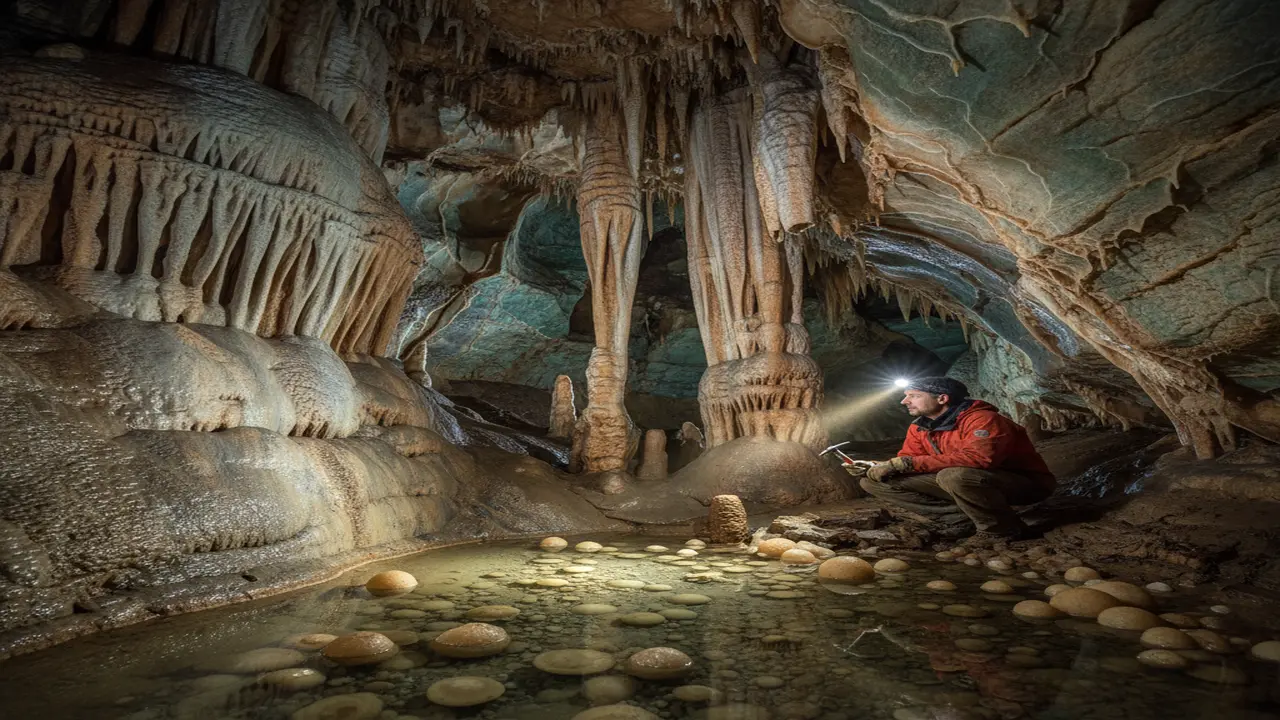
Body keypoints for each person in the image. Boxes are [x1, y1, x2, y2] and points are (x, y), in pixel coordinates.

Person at [860, 377, 1055, 542]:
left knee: (954, 476)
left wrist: (906, 464)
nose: (905, 401)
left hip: (1023, 484)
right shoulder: (920, 427)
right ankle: (961, 520)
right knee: (872, 482)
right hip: (960, 481)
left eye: (914, 396)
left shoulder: (982, 419)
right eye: (906, 396)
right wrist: (881, 466)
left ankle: (1000, 531)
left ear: (942, 398)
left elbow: (981, 459)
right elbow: (909, 458)